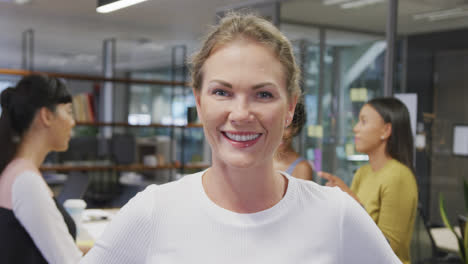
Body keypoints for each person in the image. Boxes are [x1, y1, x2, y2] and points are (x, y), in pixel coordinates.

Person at [81, 12, 400, 263]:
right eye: (222, 92)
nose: (241, 113)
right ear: (199, 101)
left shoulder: (336, 214)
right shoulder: (154, 211)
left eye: (263, 94)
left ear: (290, 107)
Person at [319, 97, 418, 264]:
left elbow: (388, 247)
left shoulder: (399, 176)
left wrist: (351, 200)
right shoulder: (362, 173)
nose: (356, 129)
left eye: (363, 122)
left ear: (385, 130)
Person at [0, 75, 82, 263]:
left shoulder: (15, 171)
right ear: (46, 116)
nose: (73, 122)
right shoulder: (25, 181)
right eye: (69, 112)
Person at [274, 101, 314, 180]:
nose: (280, 134)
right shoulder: (258, 161)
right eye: (275, 126)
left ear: (295, 128)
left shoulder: (302, 168)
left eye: (286, 127)